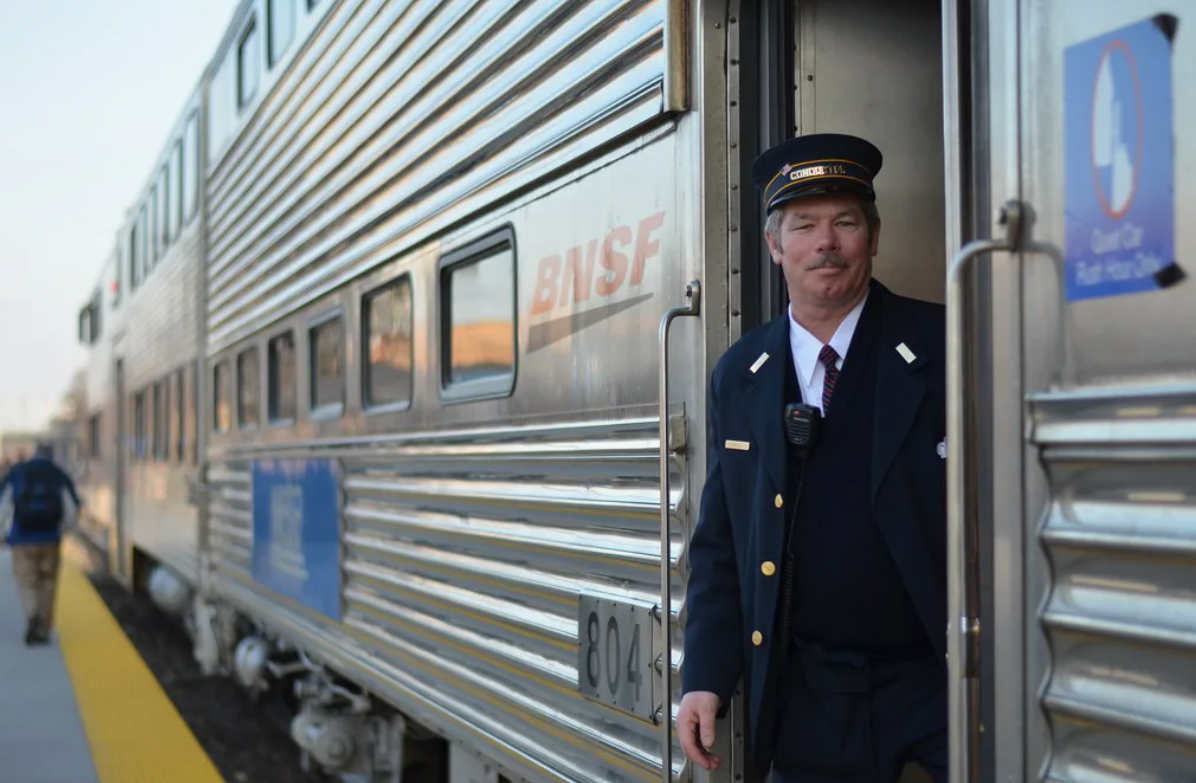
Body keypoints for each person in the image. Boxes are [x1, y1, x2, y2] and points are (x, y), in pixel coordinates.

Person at [677, 133, 947, 783]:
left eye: (845, 222)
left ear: (873, 236)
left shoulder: (949, 343)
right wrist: (706, 676)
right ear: (775, 246)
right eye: (805, 225)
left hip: (939, 676)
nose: (826, 242)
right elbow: (722, 540)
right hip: (812, 689)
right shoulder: (741, 372)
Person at [0, 443, 83, 645]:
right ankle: (44, 631)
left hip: (22, 540)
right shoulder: (58, 474)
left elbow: (3, 505)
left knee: (27, 581)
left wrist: (2, 533)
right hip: (50, 539)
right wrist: (64, 531)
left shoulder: (17, 473)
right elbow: (72, 509)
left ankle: (32, 615)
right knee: (48, 583)